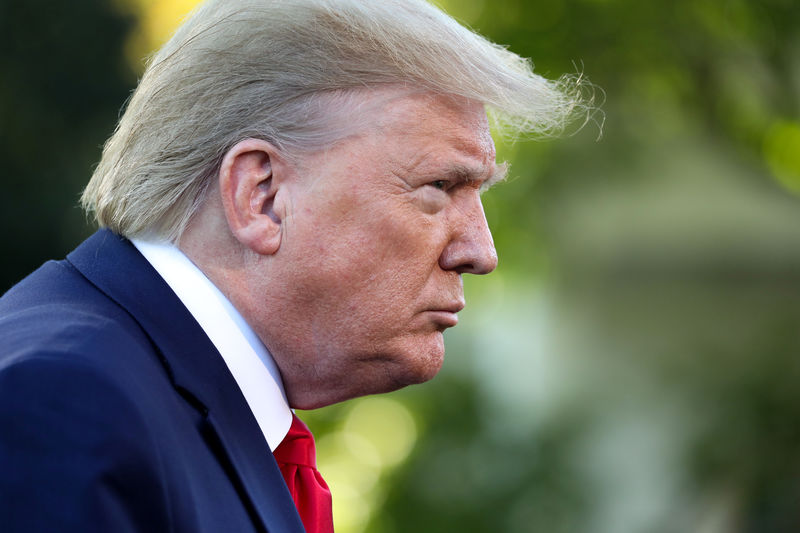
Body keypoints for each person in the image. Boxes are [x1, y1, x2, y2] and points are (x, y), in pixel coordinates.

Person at [0, 0, 583, 531]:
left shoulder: (132, 393)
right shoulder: (63, 402)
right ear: (263, 195)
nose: (480, 252)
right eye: (439, 186)